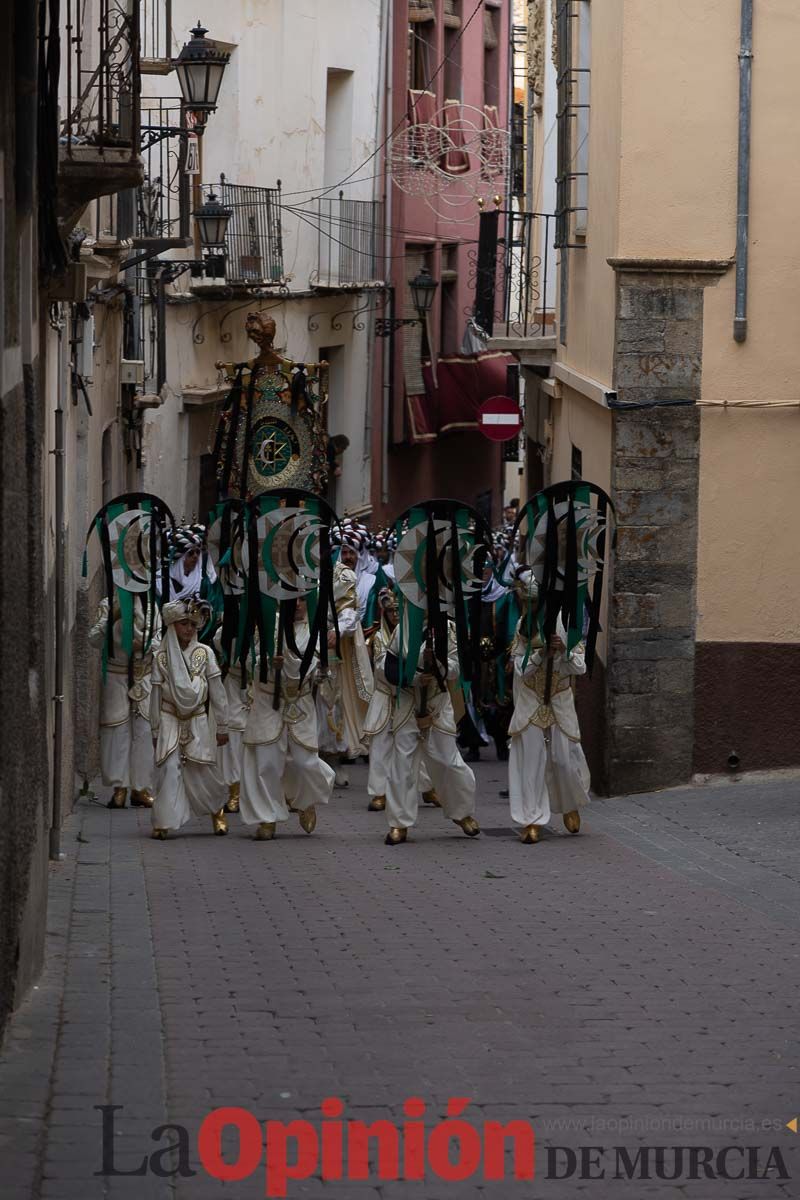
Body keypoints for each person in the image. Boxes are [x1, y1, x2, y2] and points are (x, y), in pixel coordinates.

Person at [238, 597, 335, 840]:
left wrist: (322, 671)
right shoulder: (268, 626)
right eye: (295, 600)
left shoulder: (315, 631)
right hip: (268, 702)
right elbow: (248, 661)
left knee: (305, 762)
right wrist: (268, 662)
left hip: (299, 703)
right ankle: (267, 818)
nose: (300, 605)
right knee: (266, 762)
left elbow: (321, 671)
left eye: (304, 599)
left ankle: (305, 800)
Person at [377, 619, 480, 846]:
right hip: (407, 704)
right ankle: (399, 823)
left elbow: (457, 666)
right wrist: (411, 677)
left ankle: (461, 812)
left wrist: (437, 668)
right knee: (402, 765)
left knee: (448, 762)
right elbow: (388, 665)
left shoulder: (449, 628)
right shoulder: (402, 629)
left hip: (437, 704)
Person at [507, 571, 591, 844]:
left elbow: (580, 666)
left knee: (562, 761)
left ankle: (569, 804)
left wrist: (564, 650)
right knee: (531, 762)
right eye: (525, 604)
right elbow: (520, 670)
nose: (528, 608)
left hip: (559, 701)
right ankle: (531, 819)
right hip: (532, 700)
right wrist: (541, 653)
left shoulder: (566, 623)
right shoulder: (523, 627)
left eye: (532, 603)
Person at [149, 598, 230, 840]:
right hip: (169, 716)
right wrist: (155, 729)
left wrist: (223, 725)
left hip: (197, 718)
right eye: (183, 623)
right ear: (172, 625)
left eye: (193, 625)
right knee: (168, 768)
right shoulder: (160, 657)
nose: (189, 629)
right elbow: (154, 695)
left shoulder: (204, 653)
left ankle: (217, 809)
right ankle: (164, 820)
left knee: (201, 769)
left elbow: (217, 690)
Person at [88, 596, 157, 809]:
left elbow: (159, 640)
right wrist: (113, 618)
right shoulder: (108, 604)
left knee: (144, 731)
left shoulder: (151, 605)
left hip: (142, 675)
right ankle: (120, 787)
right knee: (116, 730)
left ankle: (141, 788)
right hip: (116, 674)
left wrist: (142, 642)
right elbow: (94, 639)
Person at [316, 534, 372, 785]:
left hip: (327, 649)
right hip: (297, 641)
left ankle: (331, 760)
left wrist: (336, 631)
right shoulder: (295, 569)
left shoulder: (342, 575)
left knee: (329, 703)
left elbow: (348, 611)